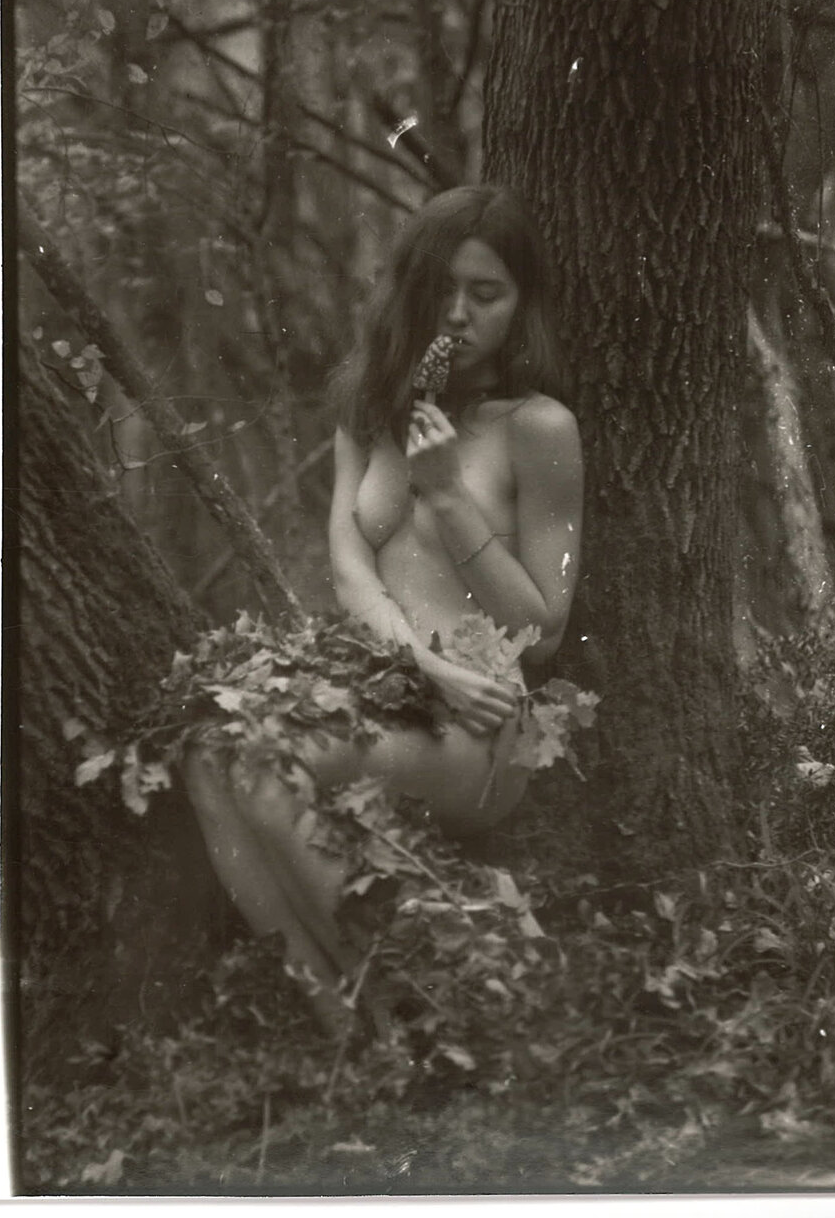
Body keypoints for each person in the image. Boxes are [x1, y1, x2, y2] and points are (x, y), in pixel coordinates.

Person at [182, 185, 584, 1031]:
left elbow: (544, 632)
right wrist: (417, 663)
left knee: (260, 765)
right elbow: (349, 565)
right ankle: (344, 1022)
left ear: (521, 304)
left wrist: (447, 498)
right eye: (441, 289)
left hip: (482, 719)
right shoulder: (368, 411)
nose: (458, 314)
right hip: (391, 686)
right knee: (208, 758)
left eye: (485, 293)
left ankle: (405, 1006)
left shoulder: (538, 427)